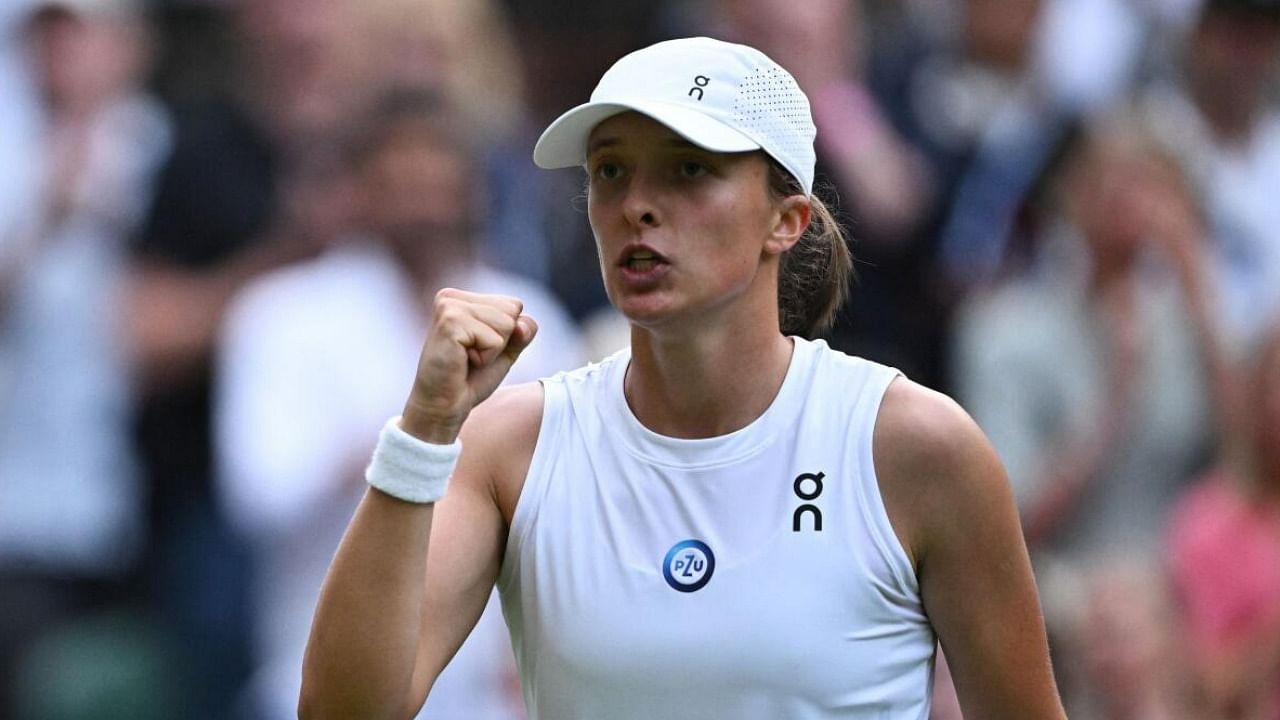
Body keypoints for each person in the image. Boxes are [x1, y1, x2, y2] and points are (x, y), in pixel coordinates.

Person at [299, 37, 1065, 719]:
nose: (636, 206)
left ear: (786, 219)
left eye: (688, 170)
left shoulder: (918, 447)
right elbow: (344, 711)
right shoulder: (507, 448)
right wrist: (425, 432)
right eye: (611, 171)